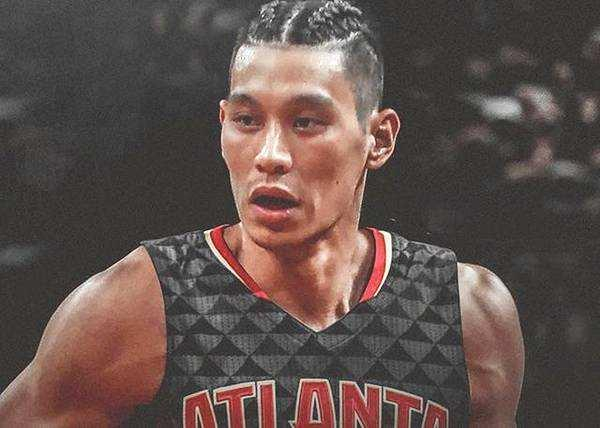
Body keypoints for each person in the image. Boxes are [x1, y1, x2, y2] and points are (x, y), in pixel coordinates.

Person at [0, 1, 524, 426]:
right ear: (223, 124)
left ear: (379, 138)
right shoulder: (139, 306)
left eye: (306, 121)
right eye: (248, 120)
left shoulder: (467, 314)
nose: (270, 155)